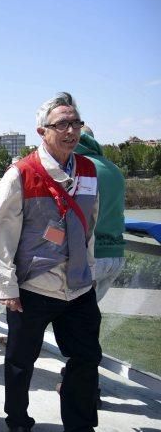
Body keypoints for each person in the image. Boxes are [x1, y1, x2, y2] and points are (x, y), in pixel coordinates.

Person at [0, 92, 119, 432]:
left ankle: (80, 431)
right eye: (61, 123)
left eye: (75, 123)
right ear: (42, 131)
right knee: (20, 361)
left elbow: (88, 225)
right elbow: (0, 235)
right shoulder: (21, 174)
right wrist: (6, 286)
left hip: (78, 286)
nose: (70, 130)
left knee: (86, 358)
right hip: (33, 287)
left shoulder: (89, 172)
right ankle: (19, 423)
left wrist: (88, 272)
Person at [75, 126, 126, 301]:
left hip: (91, 258)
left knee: (72, 321)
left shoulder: (78, 168)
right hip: (115, 256)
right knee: (88, 316)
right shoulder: (113, 169)